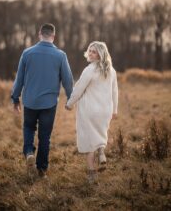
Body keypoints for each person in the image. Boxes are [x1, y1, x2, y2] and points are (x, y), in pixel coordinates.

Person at [11, 23, 73, 178]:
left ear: (39, 34)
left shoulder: (27, 53)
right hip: (49, 103)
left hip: (30, 101)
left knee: (28, 127)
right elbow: (68, 80)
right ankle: (42, 170)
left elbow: (19, 79)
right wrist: (70, 99)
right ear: (53, 36)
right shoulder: (61, 55)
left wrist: (15, 98)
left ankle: (29, 152)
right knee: (45, 136)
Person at [66, 41, 118, 184]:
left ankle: (91, 174)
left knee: (89, 142)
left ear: (100, 54)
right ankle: (101, 152)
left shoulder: (90, 69)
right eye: (89, 50)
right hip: (105, 111)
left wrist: (70, 104)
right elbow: (115, 92)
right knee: (100, 133)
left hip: (90, 111)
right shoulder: (111, 71)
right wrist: (115, 110)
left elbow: (78, 89)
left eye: (93, 52)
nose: (90, 53)